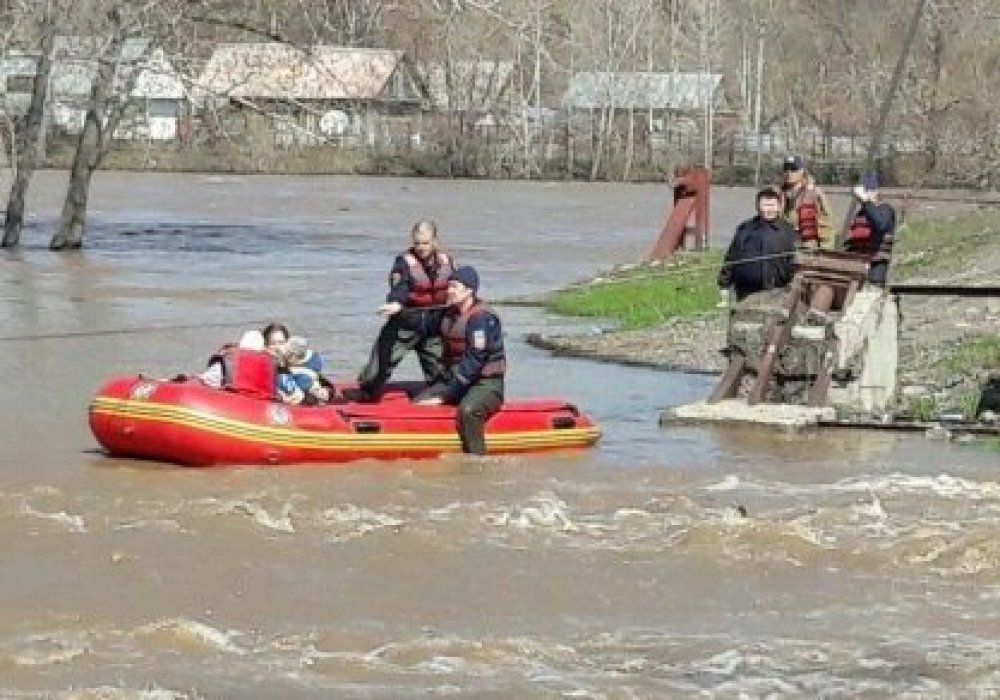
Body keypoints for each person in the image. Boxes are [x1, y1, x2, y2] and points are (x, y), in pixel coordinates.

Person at [357, 220, 456, 400]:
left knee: (441, 375)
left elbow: (458, 287)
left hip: (433, 327)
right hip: (404, 325)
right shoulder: (403, 262)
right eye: (417, 243)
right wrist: (395, 303)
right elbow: (400, 286)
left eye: (425, 243)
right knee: (376, 372)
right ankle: (365, 396)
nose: (421, 247)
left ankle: (439, 404)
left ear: (435, 241)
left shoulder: (447, 261)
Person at [414, 266, 506, 455]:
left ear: (469, 290)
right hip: (454, 379)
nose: (450, 290)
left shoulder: (481, 318)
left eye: (455, 287)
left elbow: (475, 359)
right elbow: (423, 328)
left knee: (468, 411)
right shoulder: (448, 313)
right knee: (419, 404)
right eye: (449, 286)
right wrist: (399, 311)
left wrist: (447, 396)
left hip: (485, 384)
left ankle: (477, 458)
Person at [717, 188, 798, 301]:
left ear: (779, 207)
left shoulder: (787, 231)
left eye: (772, 205)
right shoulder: (745, 228)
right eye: (765, 205)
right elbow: (732, 257)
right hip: (744, 291)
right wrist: (724, 284)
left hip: (775, 292)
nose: (768, 209)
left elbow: (794, 263)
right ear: (757, 207)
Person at [843, 171, 897, 286]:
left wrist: (867, 202)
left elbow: (880, 224)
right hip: (859, 267)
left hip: (876, 268)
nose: (866, 195)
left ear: (876, 191)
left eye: (869, 191)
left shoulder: (885, 209)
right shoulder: (862, 213)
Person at [779, 155, 834, 249]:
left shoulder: (815, 193)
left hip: (809, 248)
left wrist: (825, 249)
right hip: (784, 246)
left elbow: (827, 224)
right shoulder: (777, 194)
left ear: (802, 171)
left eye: (794, 169)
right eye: (786, 169)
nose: (789, 173)